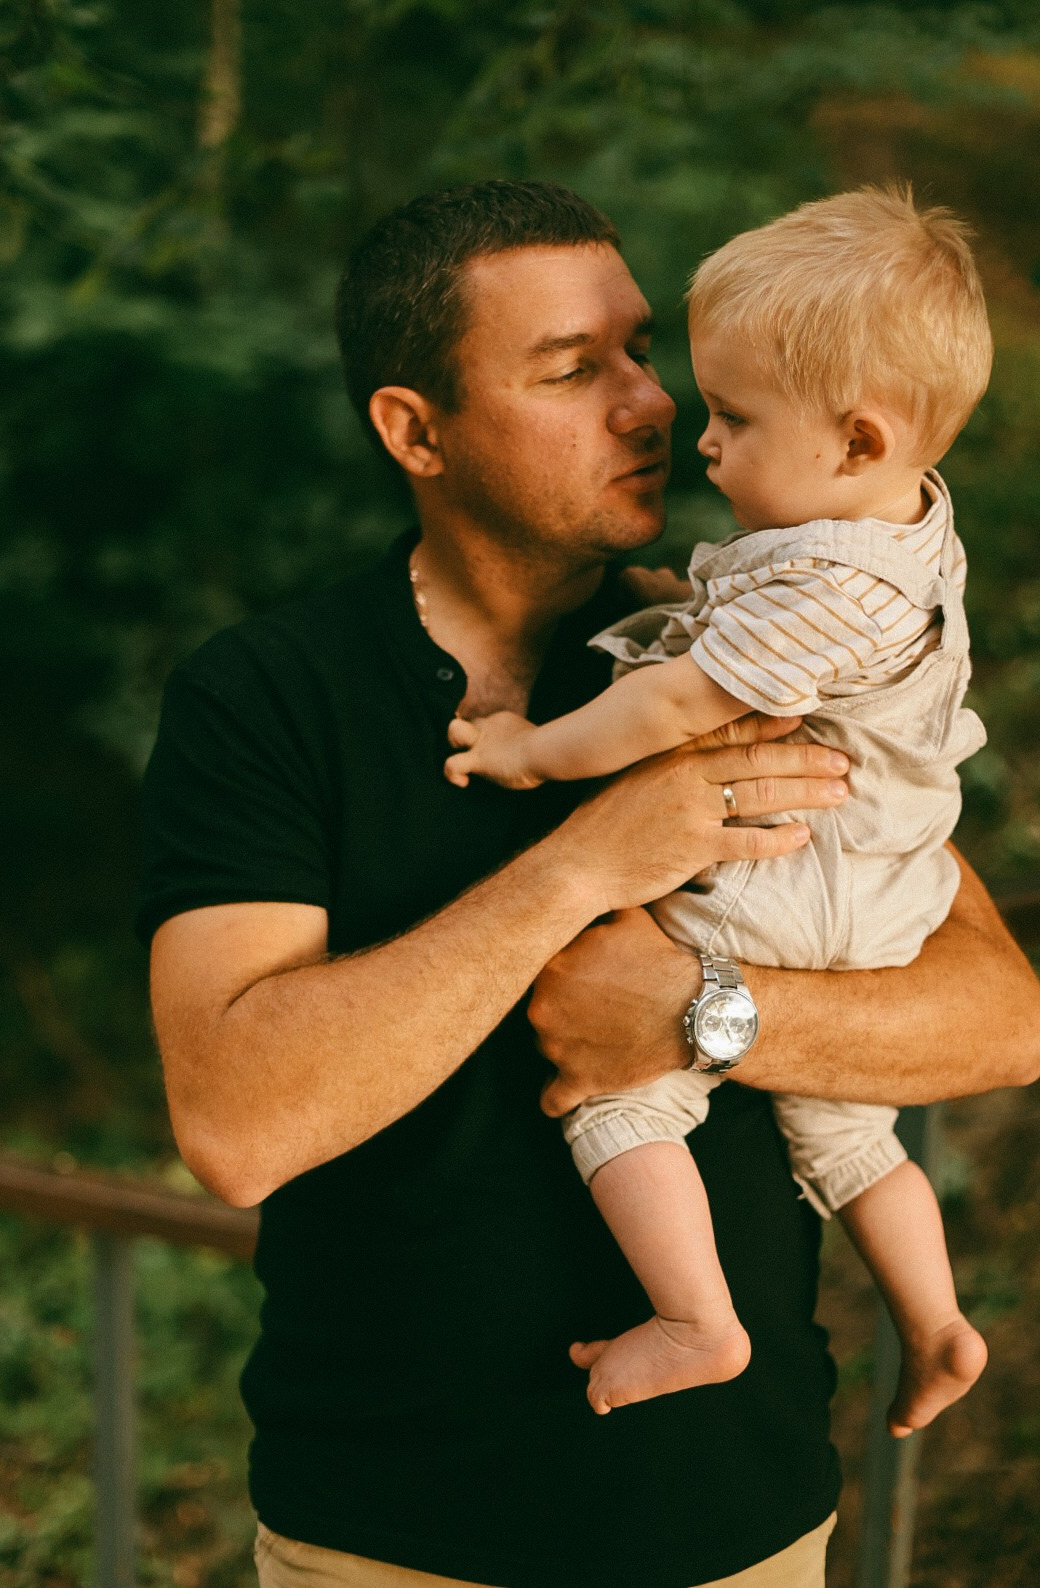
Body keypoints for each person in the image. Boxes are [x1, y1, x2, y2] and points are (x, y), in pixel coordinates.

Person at [138, 181, 1040, 1588]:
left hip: (745, 1528)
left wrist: (705, 1009)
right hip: (388, 1540)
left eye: (640, 354)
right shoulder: (270, 698)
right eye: (573, 369)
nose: (652, 404)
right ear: (413, 430)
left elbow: (999, 1017)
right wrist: (583, 867)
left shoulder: (734, 643)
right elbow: (239, 1124)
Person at [444, 186, 991, 1430]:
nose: (699, 436)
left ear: (857, 441)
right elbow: (766, 628)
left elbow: (672, 711)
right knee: (848, 1129)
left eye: (736, 418)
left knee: (619, 1089)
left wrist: (532, 752)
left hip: (795, 878)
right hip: (895, 889)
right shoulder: (907, 525)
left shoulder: (825, 589)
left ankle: (697, 1317)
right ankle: (941, 1321)